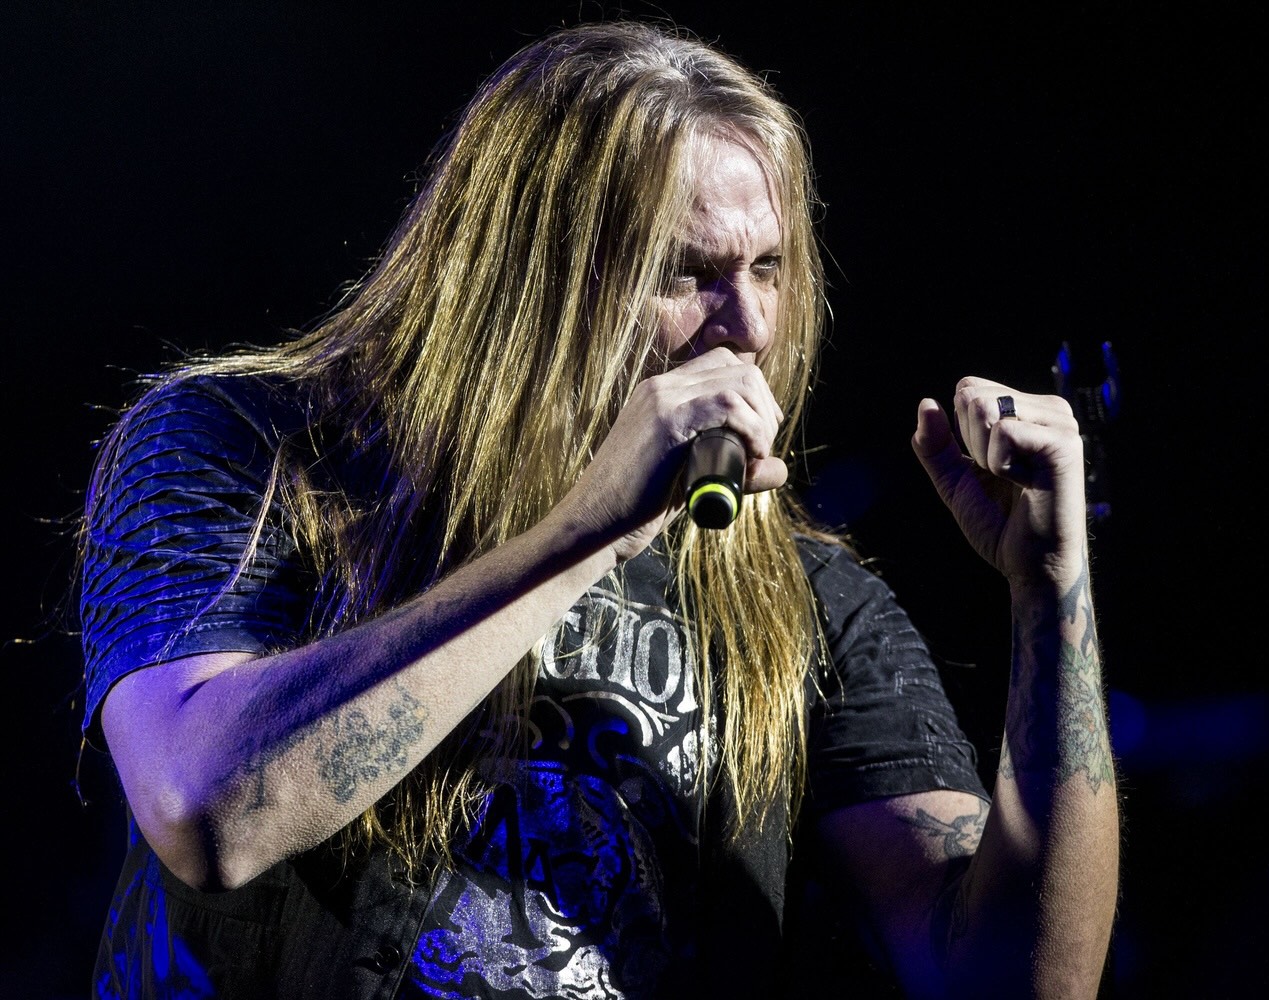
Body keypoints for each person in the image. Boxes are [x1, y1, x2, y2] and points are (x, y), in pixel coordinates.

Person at [77, 20, 1118, 999]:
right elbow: (207, 811)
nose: (751, 325)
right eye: (686, 272)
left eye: (767, 267)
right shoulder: (245, 446)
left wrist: (1051, 594)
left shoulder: (808, 602)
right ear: (530, 276)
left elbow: (1018, 980)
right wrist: (588, 530)